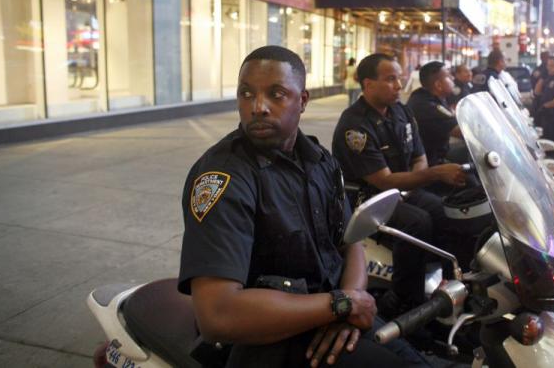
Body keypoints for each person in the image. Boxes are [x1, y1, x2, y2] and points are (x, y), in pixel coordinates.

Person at [178, 46, 426, 367]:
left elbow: (351, 244)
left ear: (303, 101)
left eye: (276, 94)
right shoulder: (225, 178)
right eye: (246, 93)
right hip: (269, 341)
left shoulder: (320, 161)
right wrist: (341, 304)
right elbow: (217, 315)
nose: (258, 107)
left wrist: (350, 305)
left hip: (331, 319)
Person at [332, 53, 467, 317]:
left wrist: (412, 186)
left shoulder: (401, 111)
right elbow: (382, 180)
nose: (398, 84)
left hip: (401, 191)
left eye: (399, 77)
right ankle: (406, 302)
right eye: (390, 79)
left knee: (445, 210)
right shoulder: (354, 126)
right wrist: (435, 174)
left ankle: (451, 287)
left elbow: (419, 157)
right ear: (368, 84)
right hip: (366, 200)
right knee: (417, 222)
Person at [406, 62, 463, 167]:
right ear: (438, 85)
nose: (453, 78)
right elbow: (461, 131)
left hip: (439, 152)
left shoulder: (430, 96)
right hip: (430, 163)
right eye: (448, 76)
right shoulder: (426, 105)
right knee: (470, 177)